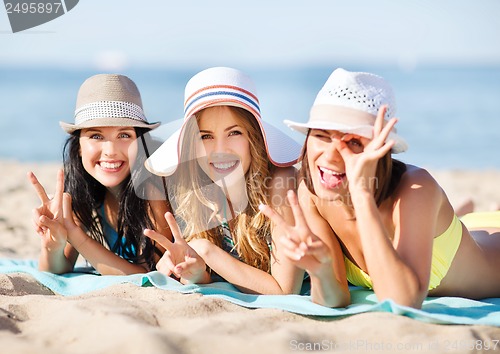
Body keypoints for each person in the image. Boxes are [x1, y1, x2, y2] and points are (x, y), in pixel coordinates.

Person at [260, 68, 500, 309]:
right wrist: (320, 271)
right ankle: (465, 213)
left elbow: (402, 301)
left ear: (381, 151)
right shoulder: (311, 193)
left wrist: (361, 194)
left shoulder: (417, 188)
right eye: (322, 136)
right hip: (461, 230)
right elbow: (336, 298)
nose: (331, 156)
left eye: (353, 142)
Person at [143, 67, 304, 294]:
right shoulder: (197, 192)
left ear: (254, 138)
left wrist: (204, 250)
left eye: (234, 132)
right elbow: (231, 277)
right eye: (206, 136)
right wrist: (197, 273)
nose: (220, 150)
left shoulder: (281, 183)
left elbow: (285, 290)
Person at [29, 74, 171, 275]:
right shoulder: (85, 191)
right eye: (96, 136)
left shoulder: (153, 187)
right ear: (79, 146)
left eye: (124, 135)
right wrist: (52, 242)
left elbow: (151, 275)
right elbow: (57, 269)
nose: (111, 150)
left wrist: (76, 235)